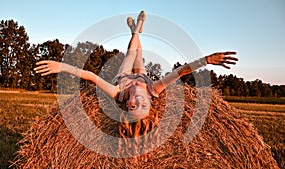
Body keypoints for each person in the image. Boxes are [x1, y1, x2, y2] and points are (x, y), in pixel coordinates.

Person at [34, 10, 238, 121]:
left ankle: (136, 30)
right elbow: (181, 71)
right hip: (143, 77)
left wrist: (63, 66)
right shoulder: (153, 89)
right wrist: (207, 60)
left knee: (131, 51)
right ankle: (137, 28)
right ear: (150, 102)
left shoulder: (118, 93)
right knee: (139, 53)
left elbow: (91, 76)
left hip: (123, 77)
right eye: (144, 105)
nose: (138, 102)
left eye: (134, 106)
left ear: (128, 104)